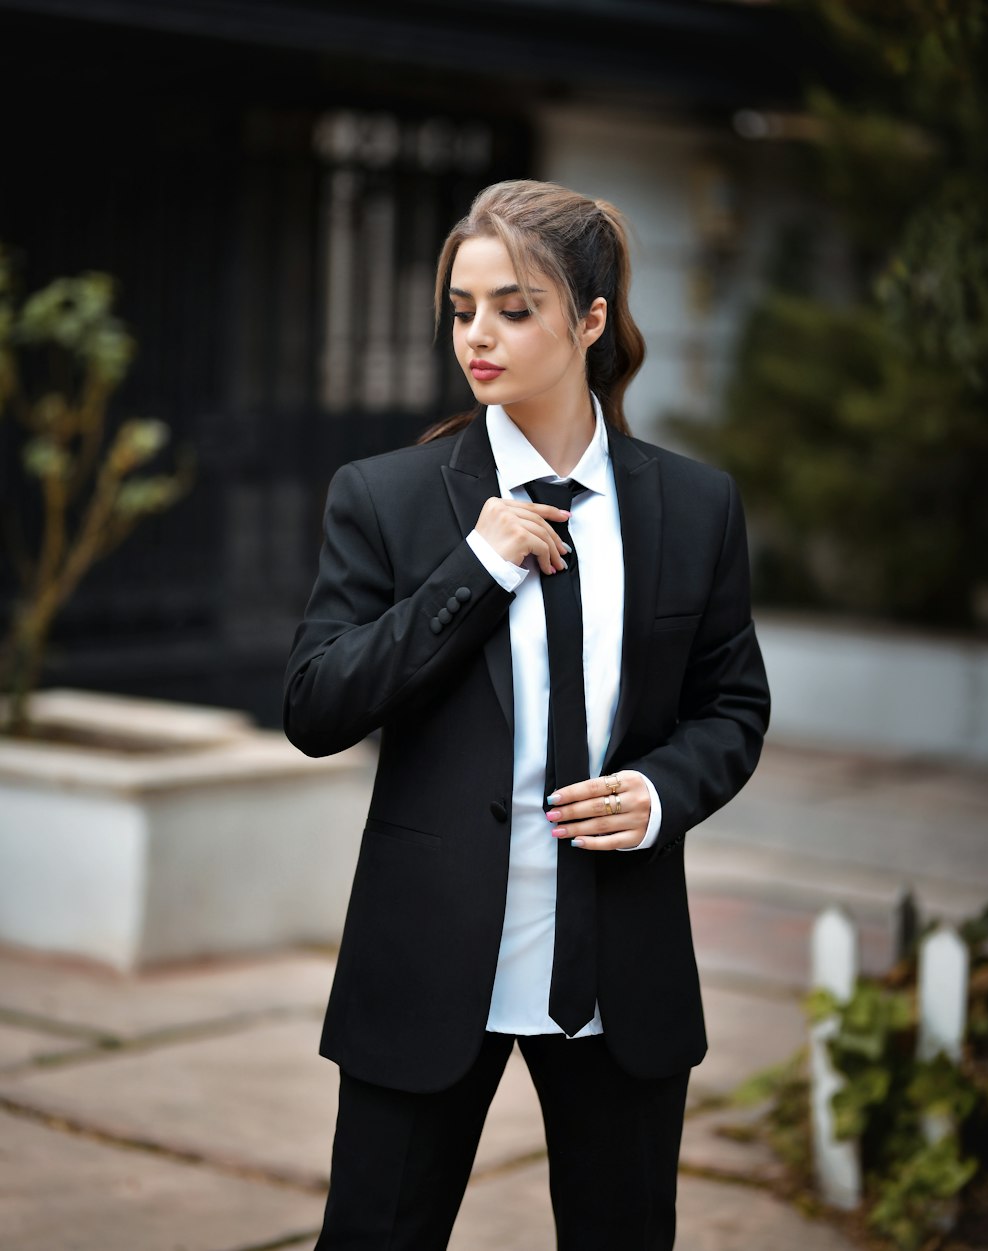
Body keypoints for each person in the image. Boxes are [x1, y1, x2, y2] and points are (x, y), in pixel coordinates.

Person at [283, 178, 770, 1250]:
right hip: (425, 963)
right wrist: (474, 568)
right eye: (462, 309)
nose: (478, 337)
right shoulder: (387, 497)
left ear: (589, 320)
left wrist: (656, 793)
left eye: (515, 308)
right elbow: (316, 707)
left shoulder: (694, 506)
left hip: (620, 970)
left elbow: (731, 705)